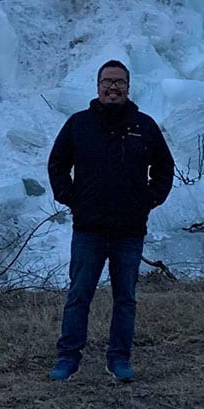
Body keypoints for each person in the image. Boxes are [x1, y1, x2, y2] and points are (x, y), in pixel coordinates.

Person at [45, 60, 175, 382]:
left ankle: (119, 359)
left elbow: (164, 167)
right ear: (98, 86)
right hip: (88, 228)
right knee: (79, 295)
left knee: (125, 298)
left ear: (128, 87)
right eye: (107, 82)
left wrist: (148, 199)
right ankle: (68, 358)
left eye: (119, 82)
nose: (113, 87)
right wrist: (71, 196)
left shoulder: (144, 126)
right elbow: (57, 163)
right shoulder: (79, 124)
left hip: (128, 231)